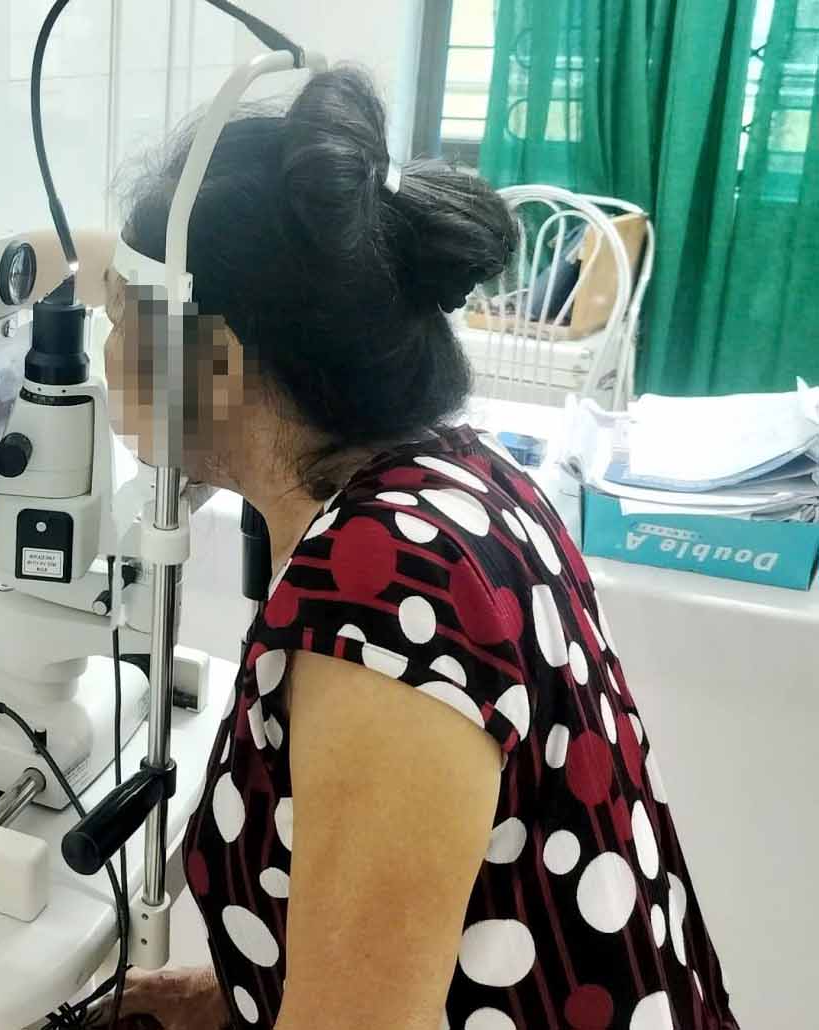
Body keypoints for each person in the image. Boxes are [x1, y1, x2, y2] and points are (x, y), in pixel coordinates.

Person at [103, 68, 738, 1030]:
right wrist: (236, 999)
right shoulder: (451, 478)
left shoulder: (380, 595)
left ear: (217, 360)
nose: (107, 353)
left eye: (121, 317)